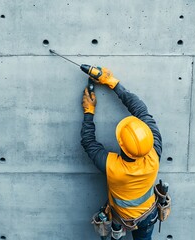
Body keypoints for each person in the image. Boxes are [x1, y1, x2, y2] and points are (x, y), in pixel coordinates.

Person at [81, 67, 162, 240]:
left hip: (120, 219)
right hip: (148, 216)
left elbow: (89, 142)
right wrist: (112, 81)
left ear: (121, 145)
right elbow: (141, 110)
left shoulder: (113, 167)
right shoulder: (154, 153)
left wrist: (89, 111)